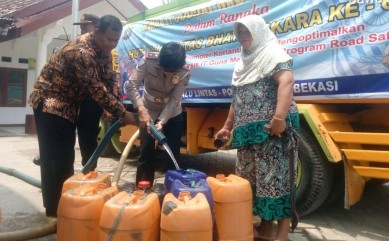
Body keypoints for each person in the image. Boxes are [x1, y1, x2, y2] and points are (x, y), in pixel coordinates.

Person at [28, 15, 137, 217]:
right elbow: (95, 88)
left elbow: (109, 78)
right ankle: (56, 210)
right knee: (57, 157)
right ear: (96, 32)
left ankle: (68, 203)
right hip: (50, 101)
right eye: (109, 39)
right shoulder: (81, 52)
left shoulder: (102, 50)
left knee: (65, 155)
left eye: (116, 40)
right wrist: (123, 113)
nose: (112, 44)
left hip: (70, 102)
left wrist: (118, 107)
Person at [214, 15, 300, 241]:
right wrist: (227, 126)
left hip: (272, 130)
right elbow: (237, 98)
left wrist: (279, 118)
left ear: (258, 31)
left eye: (246, 31)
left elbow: (287, 81)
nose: (242, 36)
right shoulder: (242, 62)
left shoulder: (273, 53)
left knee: (276, 182)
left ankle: (281, 235)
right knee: (252, 183)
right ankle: (265, 229)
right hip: (247, 134)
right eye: (239, 32)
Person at [32, 13, 101, 168]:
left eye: (86, 26)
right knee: (62, 139)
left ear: (98, 28)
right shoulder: (76, 46)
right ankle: (51, 160)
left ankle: (89, 170)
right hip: (68, 99)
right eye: (82, 26)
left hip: (92, 99)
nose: (83, 29)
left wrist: (112, 107)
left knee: (88, 139)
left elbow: (106, 80)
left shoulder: (105, 47)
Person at [125, 41, 190, 186]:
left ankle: (174, 189)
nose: (168, 73)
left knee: (172, 152)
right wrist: (141, 109)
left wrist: (162, 121)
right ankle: (143, 190)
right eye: (165, 68)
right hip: (148, 110)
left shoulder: (184, 72)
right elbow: (131, 85)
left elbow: (174, 100)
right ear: (160, 61)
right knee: (146, 151)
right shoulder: (148, 61)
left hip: (172, 113)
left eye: (172, 71)